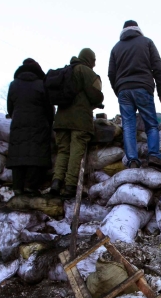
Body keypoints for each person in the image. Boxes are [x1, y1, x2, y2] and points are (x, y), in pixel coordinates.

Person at [108, 20, 161, 172]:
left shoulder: (116, 48)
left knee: (128, 126)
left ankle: (132, 160)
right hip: (143, 87)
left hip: (124, 91)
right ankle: (154, 155)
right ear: (138, 30)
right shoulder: (147, 42)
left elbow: (111, 73)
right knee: (151, 124)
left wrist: (119, 90)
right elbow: (157, 67)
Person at [51, 48, 104, 198]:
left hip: (61, 119)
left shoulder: (65, 71)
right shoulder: (86, 72)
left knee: (63, 151)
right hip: (79, 120)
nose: (94, 63)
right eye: (93, 60)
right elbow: (96, 97)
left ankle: (56, 182)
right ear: (89, 59)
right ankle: (70, 186)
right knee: (76, 152)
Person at [6, 59, 54, 196]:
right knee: (35, 154)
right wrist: (49, 122)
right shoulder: (42, 85)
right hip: (39, 124)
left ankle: (17, 186)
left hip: (18, 124)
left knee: (18, 154)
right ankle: (31, 186)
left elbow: (10, 107)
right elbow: (49, 108)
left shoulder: (13, 85)